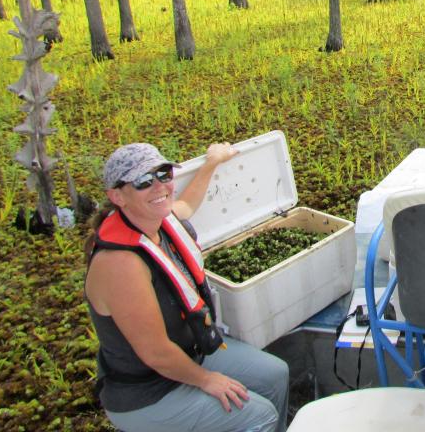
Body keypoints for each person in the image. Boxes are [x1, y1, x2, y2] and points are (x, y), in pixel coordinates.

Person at [85, 142, 289, 432]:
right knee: (260, 415)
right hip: (149, 391)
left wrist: (212, 162)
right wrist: (207, 380)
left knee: (276, 375)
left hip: (191, 353)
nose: (159, 187)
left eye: (164, 174)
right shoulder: (120, 264)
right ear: (117, 196)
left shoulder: (157, 221)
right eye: (143, 181)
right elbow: (155, 353)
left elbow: (187, 204)